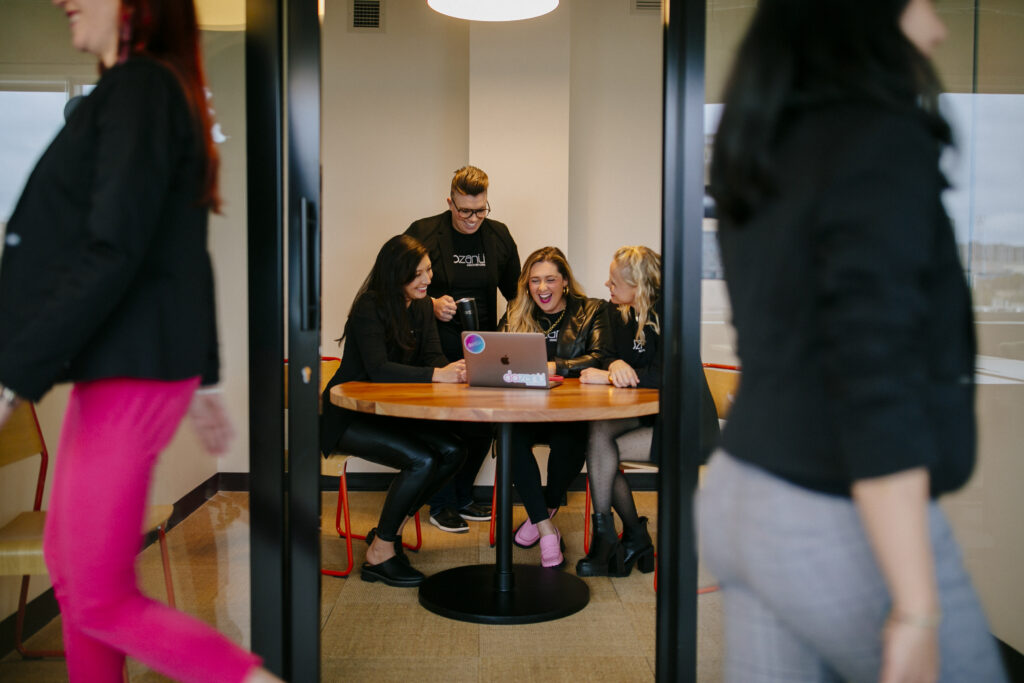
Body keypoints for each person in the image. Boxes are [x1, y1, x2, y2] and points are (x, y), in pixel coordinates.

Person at [702, 0, 1008, 681]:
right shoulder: (879, 138)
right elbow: (871, 372)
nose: (940, 25)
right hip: (829, 513)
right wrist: (917, 606)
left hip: (741, 491)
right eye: (924, 2)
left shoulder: (763, 147)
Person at [0, 1, 279, 682]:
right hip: (123, 367)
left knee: (96, 593)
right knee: (76, 582)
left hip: (131, 369)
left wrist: (14, 372)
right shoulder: (151, 90)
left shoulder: (142, 87)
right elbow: (182, 249)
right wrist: (208, 378)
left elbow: (112, 247)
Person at [320, 235, 468, 587]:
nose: (427, 280)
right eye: (417, 273)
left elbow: (433, 357)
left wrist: (458, 373)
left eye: (429, 270)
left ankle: (389, 531)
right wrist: (438, 375)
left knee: (454, 450)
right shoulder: (369, 307)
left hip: (387, 414)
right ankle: (379, 555)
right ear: (395, 274)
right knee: (422, 460)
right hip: (347, 416)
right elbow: (379, 370)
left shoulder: (420, 306)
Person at [577, 246, 719, 577]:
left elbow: (665, 376)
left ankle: (625, 537)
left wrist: (615, 375)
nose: (607, 286)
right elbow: (605, 353)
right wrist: (614, 363)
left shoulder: (671, 314)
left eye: (614, 282)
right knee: (599, 431)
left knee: (602, 452)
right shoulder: (617, 311)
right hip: (652, 413)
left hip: (686, 423)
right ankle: (614, 535)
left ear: (638, 286)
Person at [405, 166, 521, 533]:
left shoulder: (498, 236)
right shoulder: (423, 233)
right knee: (447, 425)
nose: (472, 219)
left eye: (481, 210)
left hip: (483, 345)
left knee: (483, 424)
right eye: (464, 211)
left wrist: (510, 338)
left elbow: (517, 296)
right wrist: (432, 304)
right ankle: (440, 503)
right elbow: (397, 287)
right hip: (434, 345)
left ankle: (462, 494)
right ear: (449, 202)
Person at [500, 246, 612, 568]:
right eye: (535, 281)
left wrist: (555, 366)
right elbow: (497, 356)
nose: (542, 288)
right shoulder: (515, 312)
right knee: (509, 438)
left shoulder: (592, 310)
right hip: (525, 409)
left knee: (571, 441)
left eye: (550, 279)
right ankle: (547, 528)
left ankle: (541, 511)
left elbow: (601, 356)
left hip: (570, 411)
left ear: (565, 280)